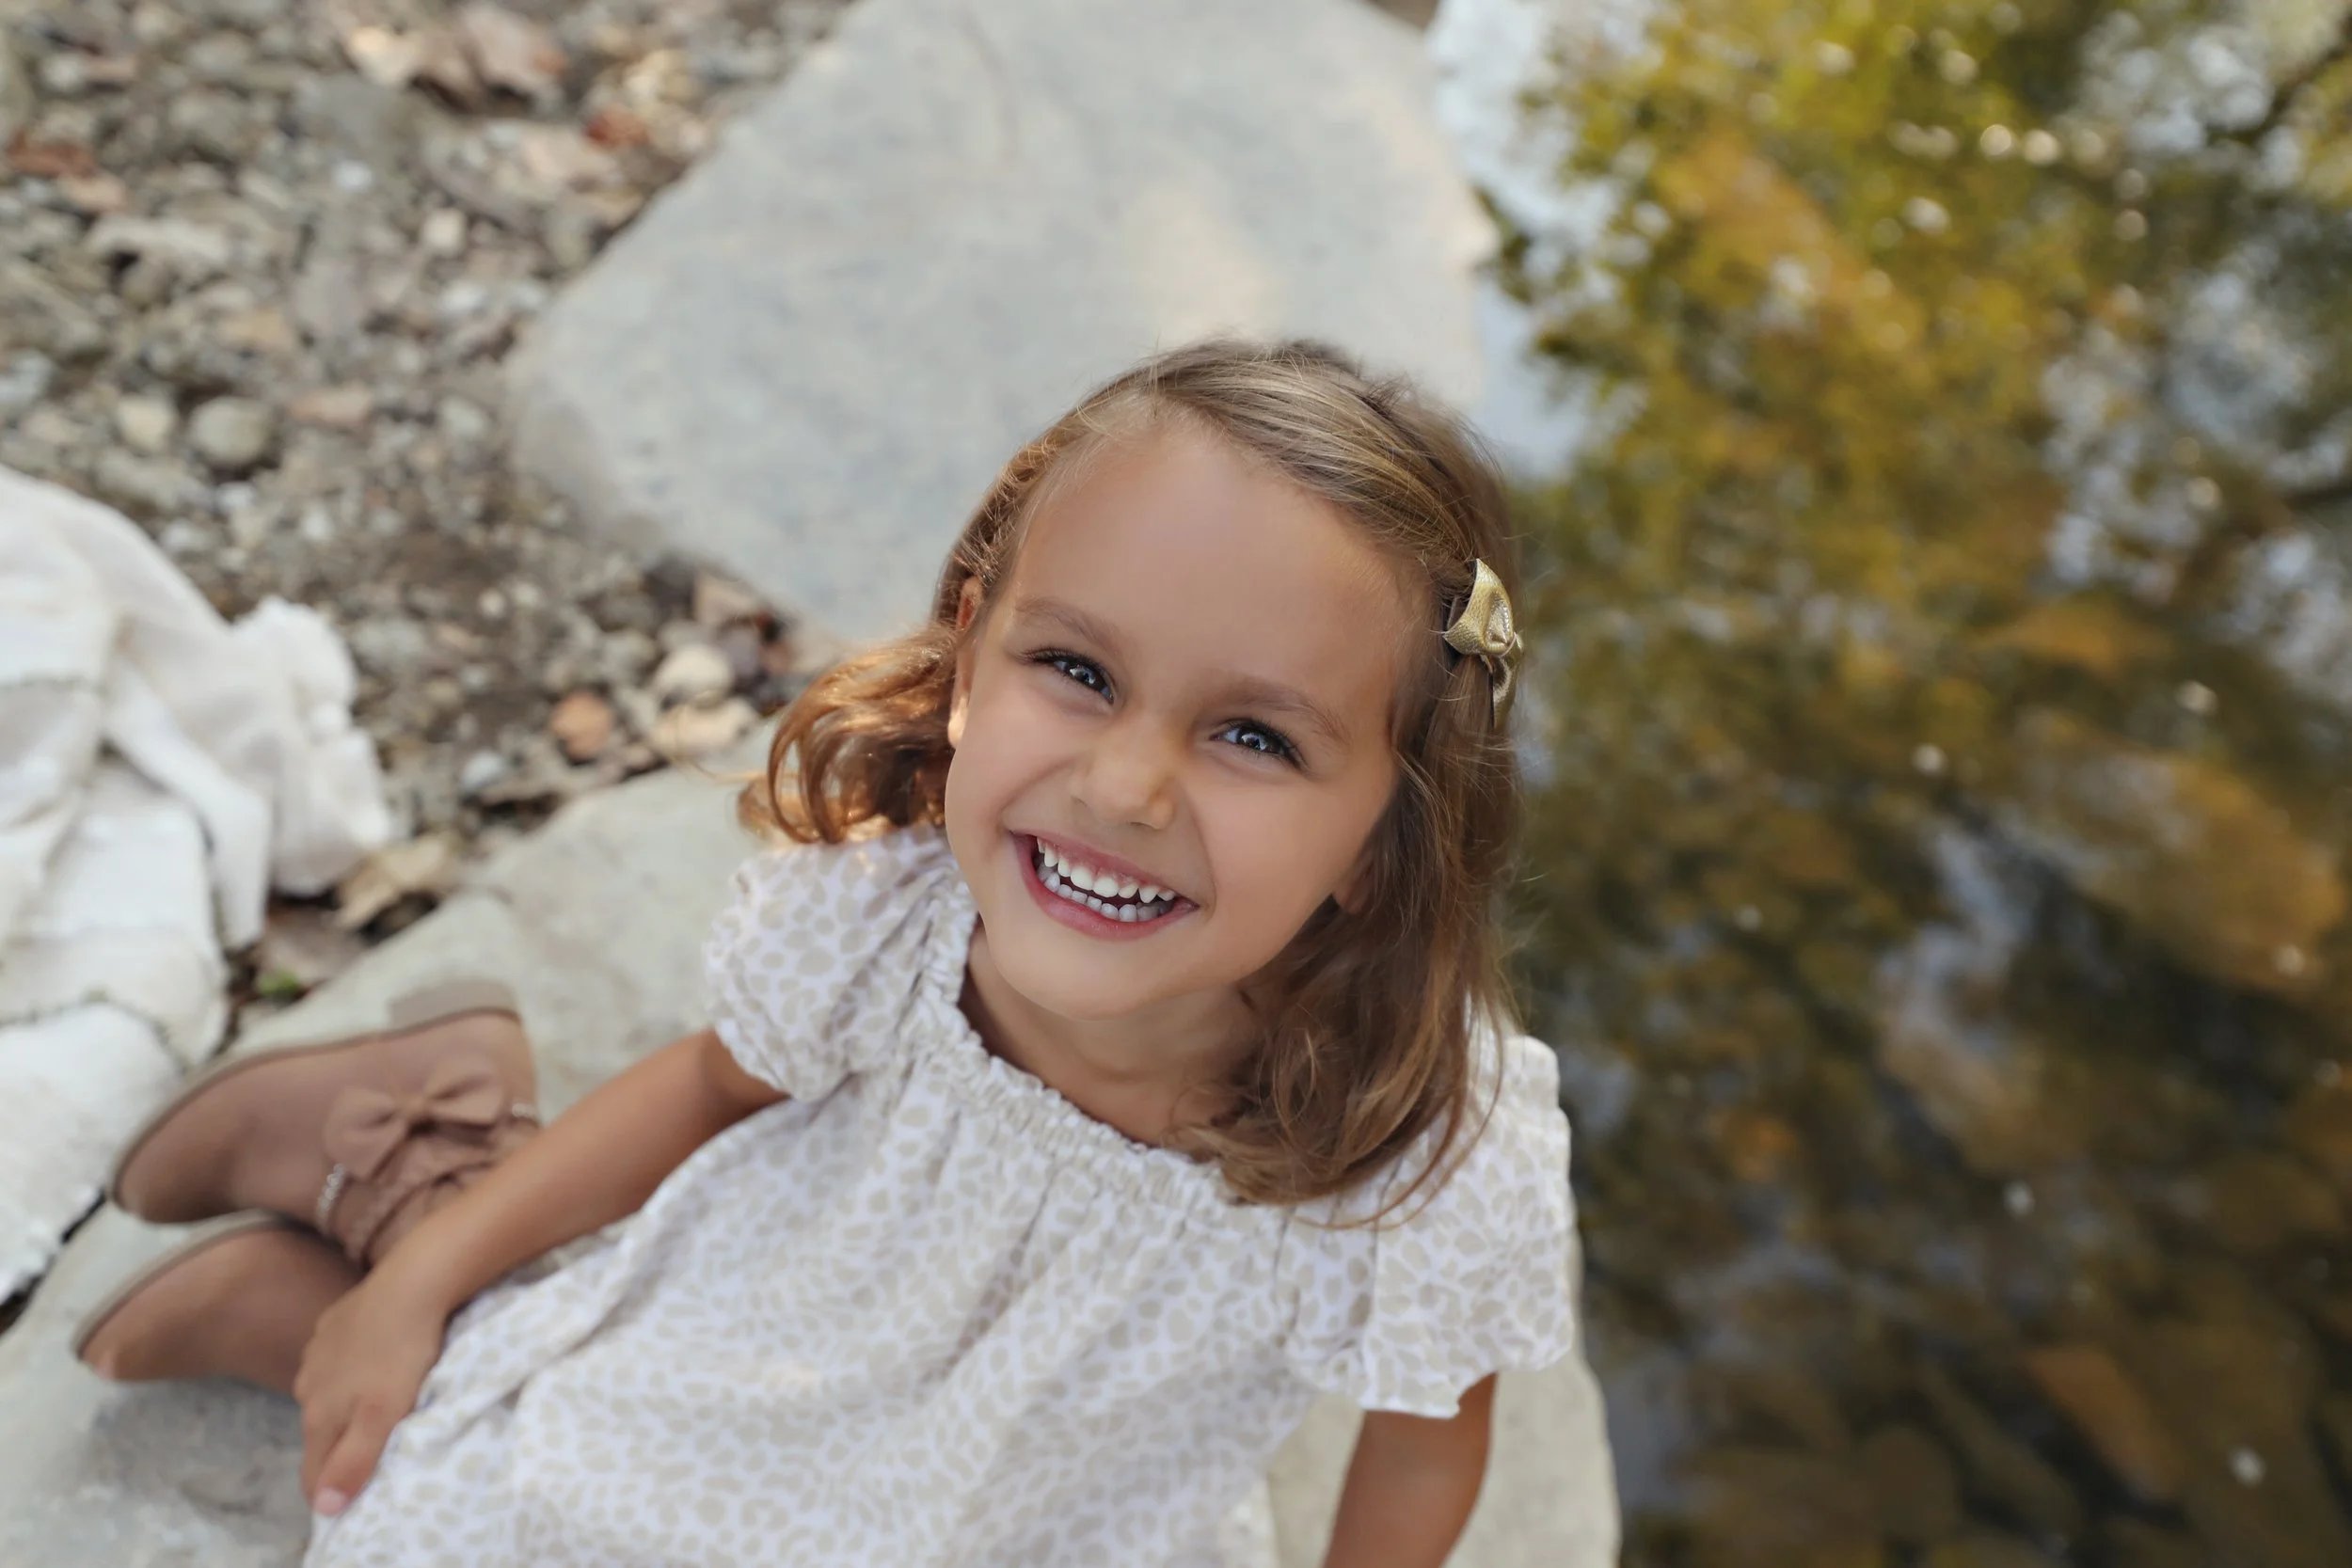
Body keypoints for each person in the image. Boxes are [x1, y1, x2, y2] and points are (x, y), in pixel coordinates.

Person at [75, 340, 1584, 1567]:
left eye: (1253, 734)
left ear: (1395, 823)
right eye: (1077, 670)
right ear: (978, 650)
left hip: (1046, 1518)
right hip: (764, 1344)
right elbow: (706, 1091)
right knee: (495, 1516)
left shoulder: (1415, 1150)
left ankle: (387, 1221)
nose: (1128, 790)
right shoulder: (901, 916)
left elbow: (1421, 1438)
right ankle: (418, 1206)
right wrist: (423, 1297)